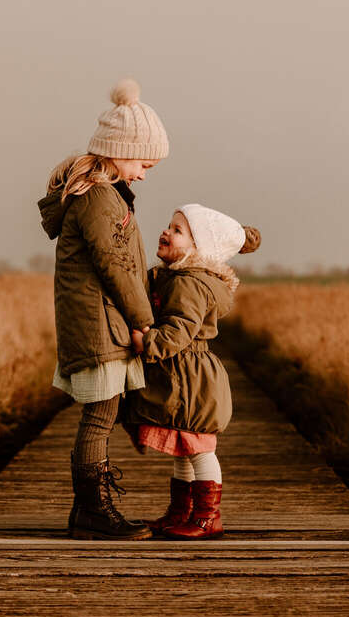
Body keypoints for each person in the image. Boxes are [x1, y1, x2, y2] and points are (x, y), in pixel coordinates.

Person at [38, 79, 168, 539]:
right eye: (141, 163)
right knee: (99, 416)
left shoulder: (106, 195)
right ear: (116, 151)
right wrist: (145, 322)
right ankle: (92, 512)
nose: (144, 173)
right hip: (100, 327)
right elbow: (116, 268)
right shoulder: (97, 197)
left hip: (101, 323)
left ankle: (89, 510)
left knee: (104, 414)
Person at [127, 204, 260, 539]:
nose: (166, 232)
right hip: (183, 373)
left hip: (191, 379)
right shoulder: (178, 277)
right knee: (183, 449)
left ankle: (207, 516)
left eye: (178, 230)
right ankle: (180, 512)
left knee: (200, 449)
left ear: (199, 249)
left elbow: (180, 331)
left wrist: (147, 342)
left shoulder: (190, 284)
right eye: (169, 225)